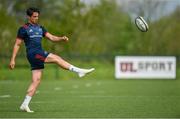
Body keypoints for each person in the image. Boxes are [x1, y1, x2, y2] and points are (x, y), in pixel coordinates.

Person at [9, 7, 95, 113]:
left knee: (36, 81)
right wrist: (13, 59)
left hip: (38, 54)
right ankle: (78, 71)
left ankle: (25, 104)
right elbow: (17, 44)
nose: (36, 18)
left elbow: (52, 38)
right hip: (33, 54)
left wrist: (61, 38)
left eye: (37, 16)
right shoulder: (23, 29)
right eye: (34, 16)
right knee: (56, 58)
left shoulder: (41, 28)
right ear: (28, 17)